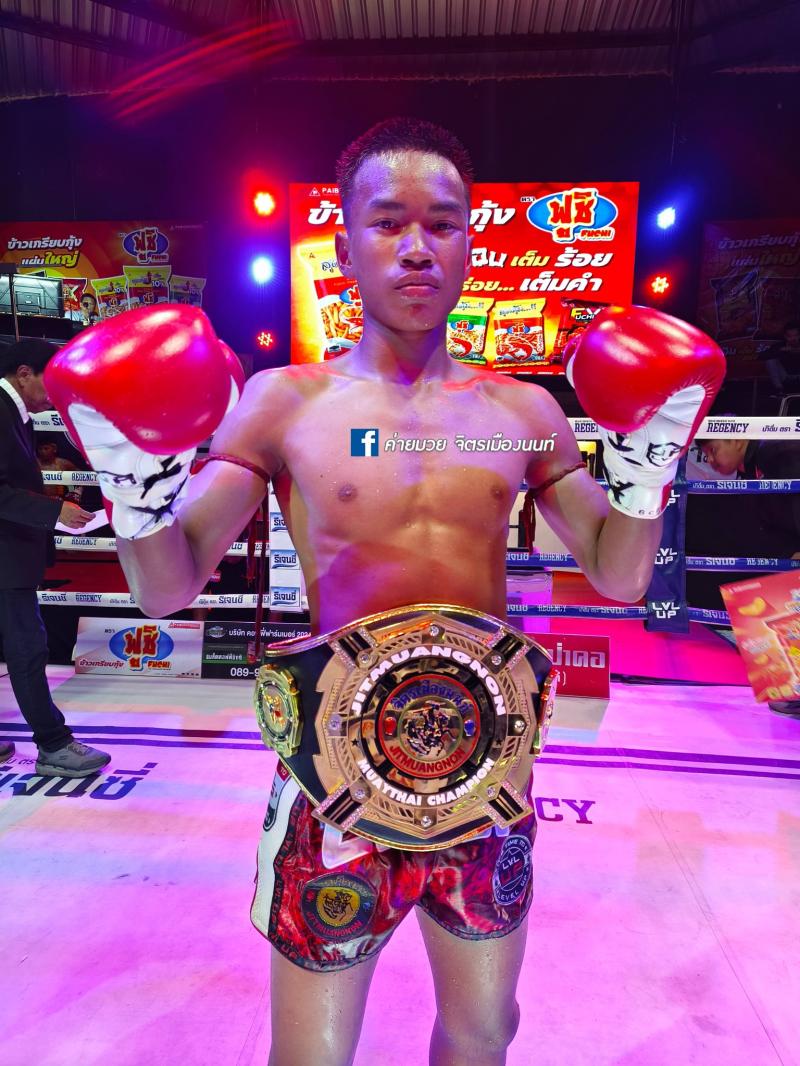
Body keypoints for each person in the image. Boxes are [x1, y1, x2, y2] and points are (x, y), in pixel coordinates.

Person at [45, 119, 723, 1066]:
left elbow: (618, 575)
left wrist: (645, 475)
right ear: (345, 243)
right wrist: (136, 492)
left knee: (484, 1032)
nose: (416, 247)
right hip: (333, 785)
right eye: (389, 221)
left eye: (441, 224)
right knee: (313, 1057)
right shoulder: (284, 402)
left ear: (470, 244)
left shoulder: (521, 412)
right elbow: (168, 589)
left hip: (486, 775)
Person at [0, 338, 111, 775]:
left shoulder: (15, 413)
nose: (56, 395)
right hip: (6, 558)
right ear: (25, 374)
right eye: (53, 383)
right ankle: (53, 744)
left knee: (25, 646)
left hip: (12, 553)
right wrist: (54, 510)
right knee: (28, 648)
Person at [698, 429, 800, 717]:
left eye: (713, 450)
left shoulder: (778, 453)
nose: (711, 461)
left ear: (737, 439)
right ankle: (791, 691)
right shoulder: (754, 465)